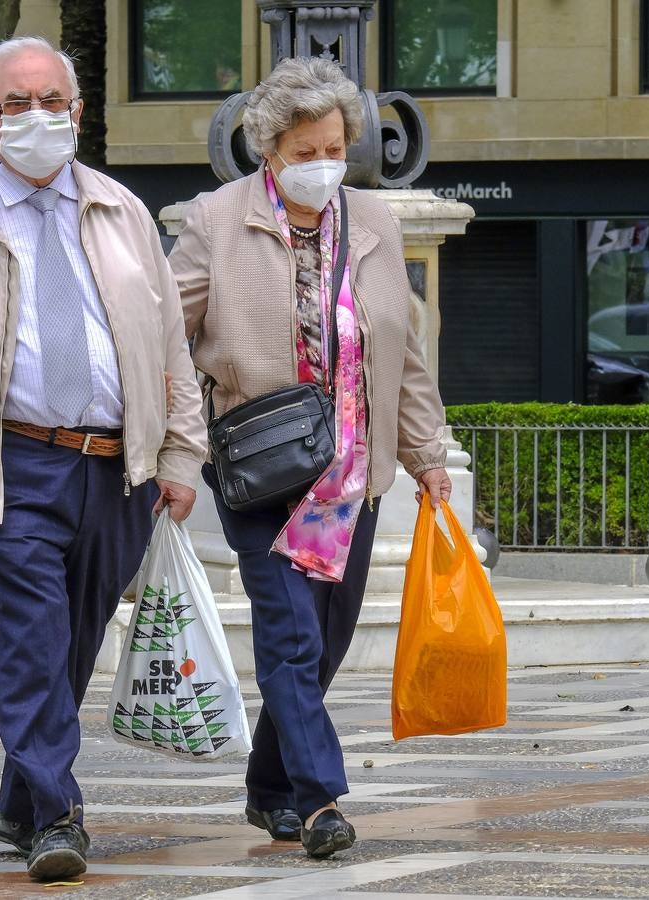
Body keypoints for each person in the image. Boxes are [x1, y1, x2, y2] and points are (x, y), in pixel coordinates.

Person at [0, 36, 207, 883]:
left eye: (51, 99)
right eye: (17, 104)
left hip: (115, 468)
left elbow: (170, 348)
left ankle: (18, 799)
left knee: (73, 643)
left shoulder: (124, 212)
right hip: (13, 465)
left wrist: (181, 454)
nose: (37, 116)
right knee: (32, 637)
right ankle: (57, 814)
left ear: (78, 111)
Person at [166, 56, 450, 860]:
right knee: (290, 634)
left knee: (323, 641)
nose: (324, 163)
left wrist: (427, 451)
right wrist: (178, 443)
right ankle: (321, 800)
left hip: (352, 474)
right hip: (259, 468)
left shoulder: (375, 222)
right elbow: (162, 336)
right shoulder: (217, 221)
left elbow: (406, 352)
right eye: (305, 151)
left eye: (334, 147)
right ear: (270, 151)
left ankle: (267, 787)